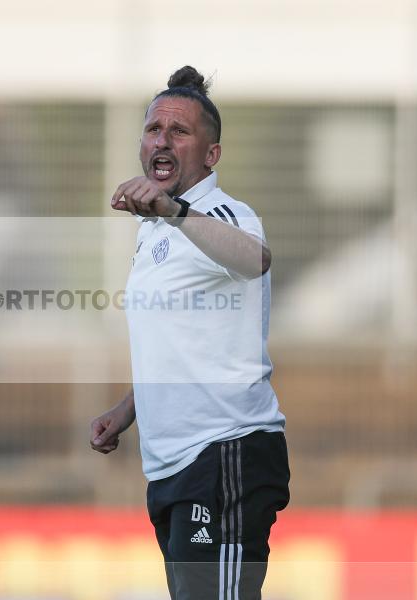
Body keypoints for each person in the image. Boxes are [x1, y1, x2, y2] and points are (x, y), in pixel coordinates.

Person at [90, 66, 290, 600]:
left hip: (225, 454)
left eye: (179, 131)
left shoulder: (218, 214)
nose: (162, 139)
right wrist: (128, 410)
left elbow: (257, 259)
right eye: (154, 128)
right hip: (173, 467)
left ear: (211, 155)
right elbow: (184, 342)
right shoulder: (156, 230)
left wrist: (174, 211)